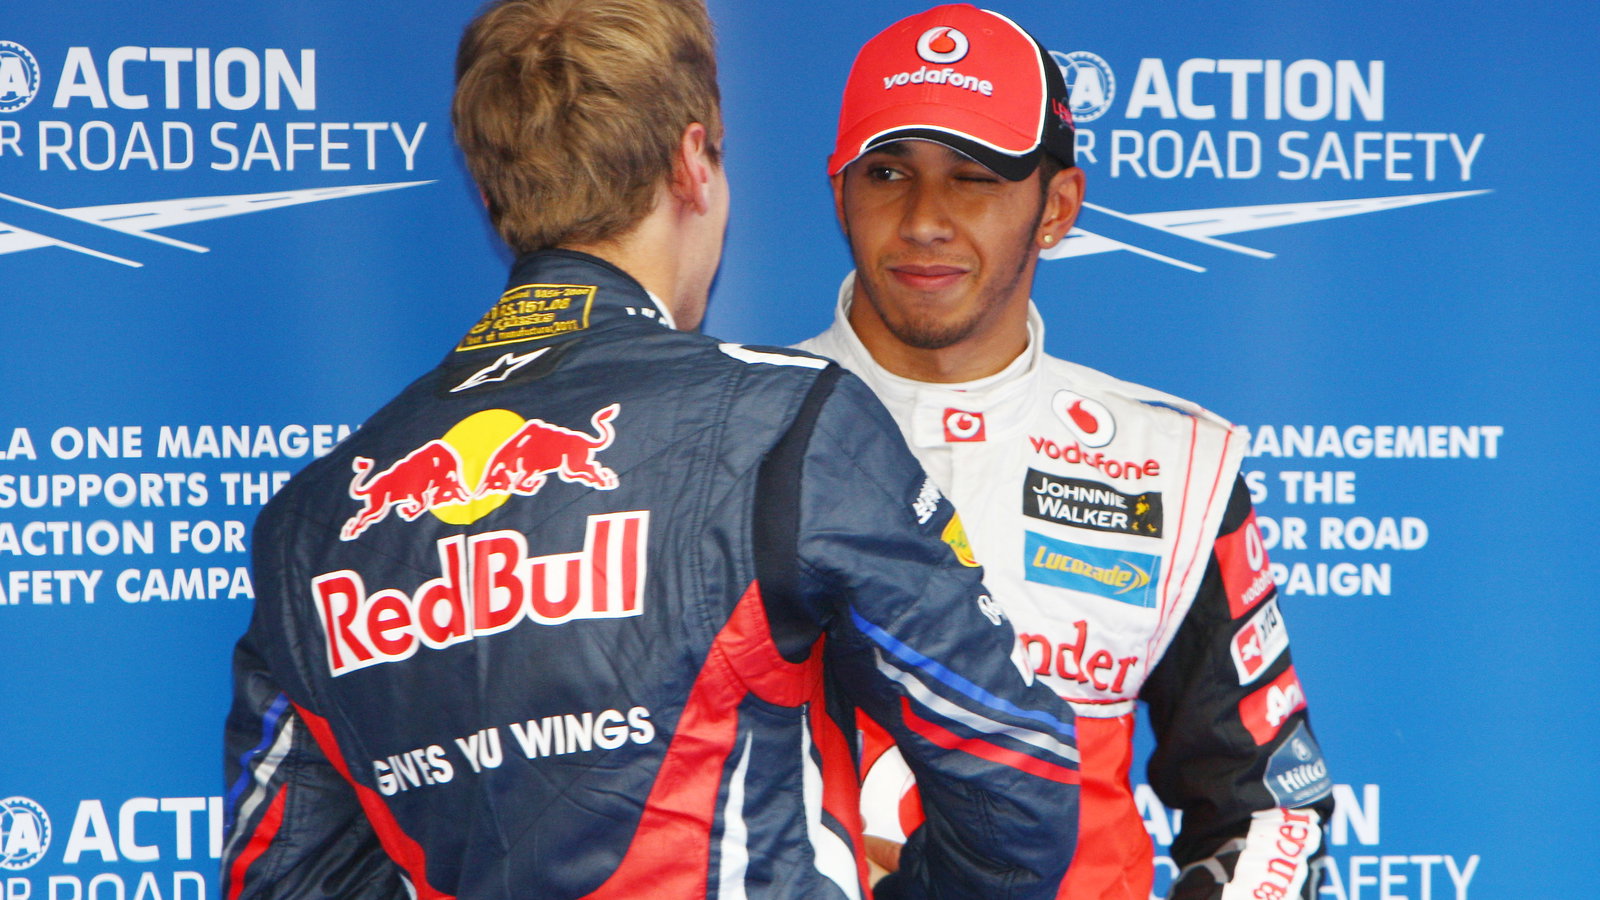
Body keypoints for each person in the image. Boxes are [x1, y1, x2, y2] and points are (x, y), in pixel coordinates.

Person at [220, 1, 1083, 898]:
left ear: (492, 191)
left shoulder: (313, 517)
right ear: (691, 160)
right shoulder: (784, 421)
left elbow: (284, 879)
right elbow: (1016, 781)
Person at [797, 5, 1335, 899]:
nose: (925, 218)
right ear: (839, 191)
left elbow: (1269, 811)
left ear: (1058, 208)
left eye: (972, 178)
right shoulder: (718, 432)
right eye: (888, 172)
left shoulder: (1173, 465)